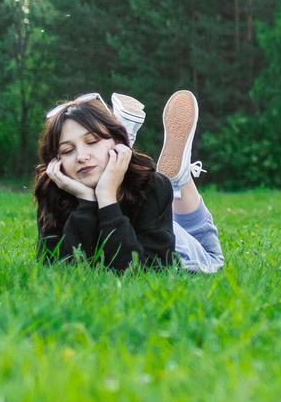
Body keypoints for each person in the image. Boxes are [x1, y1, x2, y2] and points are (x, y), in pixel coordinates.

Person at [35, 89, 226, 272]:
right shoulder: (54, 192)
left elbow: (145, 271)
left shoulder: (151, 187)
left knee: (211, 257)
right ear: (56, 162)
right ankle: (180, 176)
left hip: (177, 250)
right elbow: (60, 269)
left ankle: (180, 178)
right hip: (153, 228)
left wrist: (107, 196)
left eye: (92, 142)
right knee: (178, 226)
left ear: (116, 142)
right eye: (68, 150)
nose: (81, 156)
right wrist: (87, 201)